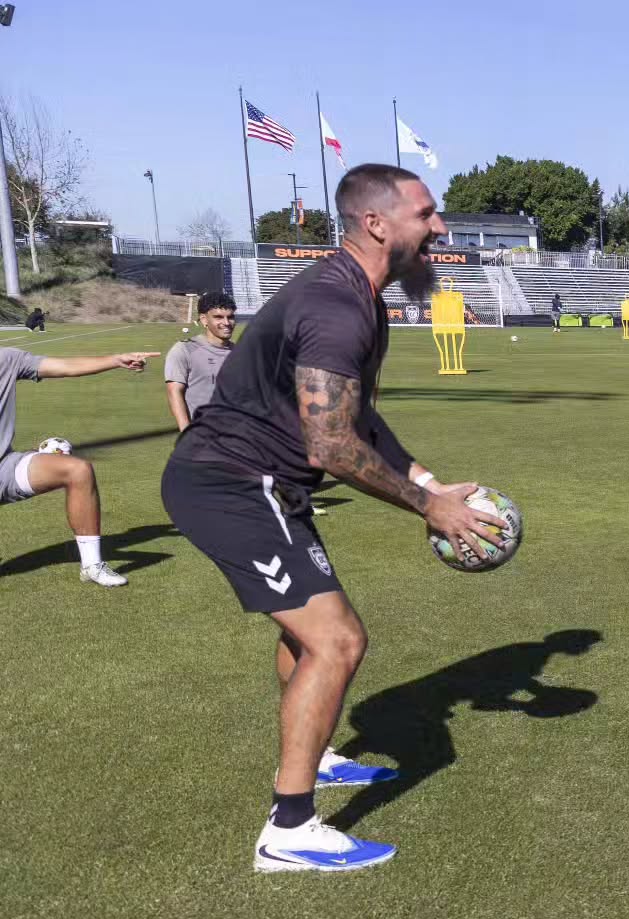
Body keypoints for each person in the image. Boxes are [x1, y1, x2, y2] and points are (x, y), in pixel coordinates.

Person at [160, 163, 509, 874]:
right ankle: (289, 829)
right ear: (376, 224)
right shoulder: (336, 305)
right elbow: (331, 444)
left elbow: (356, 417)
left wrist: (427, 480)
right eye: (426, 214)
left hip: (270, 484)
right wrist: (429, 508)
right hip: (231, 481)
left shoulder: (361, 299)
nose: (440, 227)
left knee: (305, 632)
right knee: (339, 640)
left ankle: (313, 756)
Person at [1, 346, 161, 586]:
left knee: (78, 470)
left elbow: (65, 367)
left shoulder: (6, 359)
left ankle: (92, 565)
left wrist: (115, 359)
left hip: (4, 467)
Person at [164, 292, 236, 431]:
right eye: (218, 317)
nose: (226, 323)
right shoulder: (184, 350)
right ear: (204, 320)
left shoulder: (240, 353)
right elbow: (174, 392)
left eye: (230, 317)